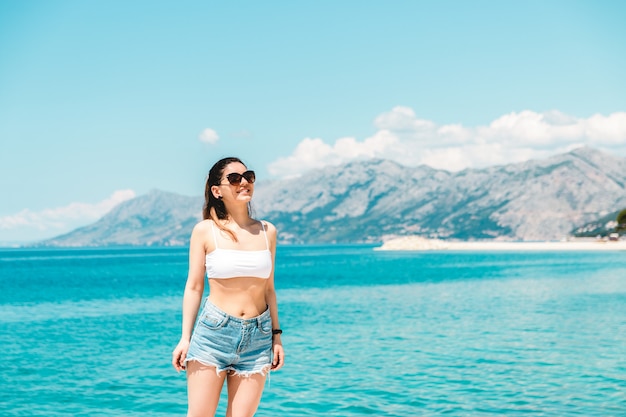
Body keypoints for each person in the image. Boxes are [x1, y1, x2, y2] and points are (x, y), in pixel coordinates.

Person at [172, 157, 285, 417]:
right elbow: (194, 287)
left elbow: (269, 288)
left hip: (258, 336)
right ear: (217, 190)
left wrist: (276, 337)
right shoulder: (205, 231)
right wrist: (185, 338)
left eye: (249, 176)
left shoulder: (268, 231)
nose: (244, 182)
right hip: (214, 334)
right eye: (235, 178)